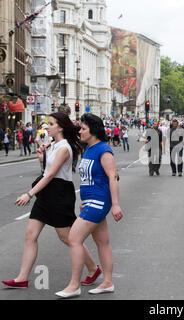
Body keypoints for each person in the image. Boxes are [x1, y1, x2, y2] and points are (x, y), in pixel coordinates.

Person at [2, 112, 100, 289]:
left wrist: (29, 194)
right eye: (48, 123)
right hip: (47, 192)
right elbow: (46, 171)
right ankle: (22, 278)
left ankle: (93, 268)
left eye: (51, 124)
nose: (47, 126)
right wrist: (42, 159)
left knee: (67, 237)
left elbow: (50, 176)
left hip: (59, 193)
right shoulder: (52, 145)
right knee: (30, 235)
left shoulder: (64, 148)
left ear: (60, 127)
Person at [55, 113, 123, 298]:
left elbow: (112, 177)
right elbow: (87, 179)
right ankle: (107, 282)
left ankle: (74, 285)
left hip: (99, 201)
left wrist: (115, 204)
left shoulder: (104, 150)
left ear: (93, 130)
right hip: (90, 201)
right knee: (102, 242)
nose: (80, 132)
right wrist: (84, 202)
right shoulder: (89, 149)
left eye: (83, 128)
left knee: (74, 239)